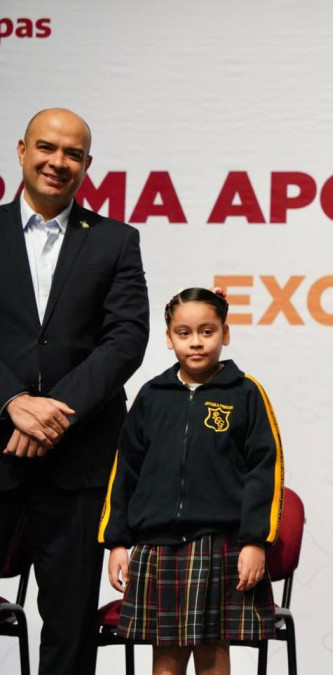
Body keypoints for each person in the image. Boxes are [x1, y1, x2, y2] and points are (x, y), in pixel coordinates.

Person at [0, 108, 149, 674]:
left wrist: (53, 415)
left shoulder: (115, 240)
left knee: (69, 626)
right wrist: (13, 403)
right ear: (21, 151)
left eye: (72, 154)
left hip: (78, 457)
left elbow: (126, 339)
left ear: (88, 164)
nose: (57, 162)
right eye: (46, 147)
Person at [98, 287, 284, 675]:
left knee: (213, 651)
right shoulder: (152, 395)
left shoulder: (246, 393)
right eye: (184, 333)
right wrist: (116, 541)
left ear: (225, 333)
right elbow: (125, 470)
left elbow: (265, 470)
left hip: (220, 544)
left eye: (207, 331)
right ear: (169, 338)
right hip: (158, 547)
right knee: (166, 656)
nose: (196, 342)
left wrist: (255, 541)